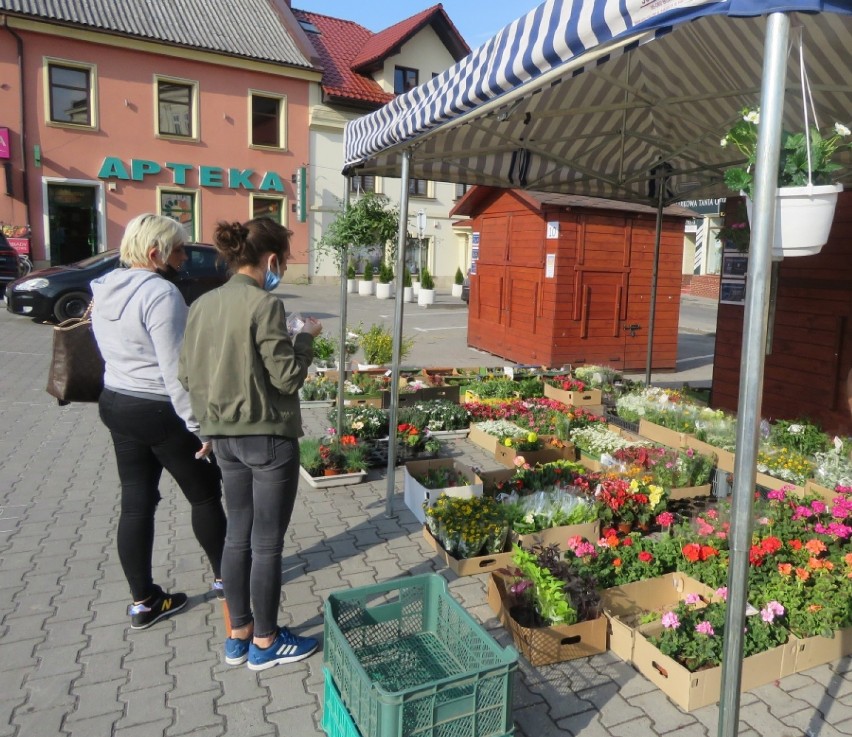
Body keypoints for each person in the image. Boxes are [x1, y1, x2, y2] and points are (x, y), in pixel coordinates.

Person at [178, 217, 321, 672]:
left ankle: (238, 634)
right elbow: (288, 377)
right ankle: (265, 640)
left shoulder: (202, 304)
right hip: (267, 439)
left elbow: (185, 375)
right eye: (285, 260)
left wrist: (208, 425)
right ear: (272, 259)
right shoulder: (265, 305)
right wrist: (305, 338)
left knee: (236, 536)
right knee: (266, 544)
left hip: (224, 440)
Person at [92, 214, 227, 630]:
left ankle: (144, 601)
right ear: (155, 254)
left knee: (136, 501)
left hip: (116, 402)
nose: (185, 258)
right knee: (205, 494)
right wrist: (200, 428)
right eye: (179, 250)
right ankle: (229, 578)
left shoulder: (103, 287)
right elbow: (177, 372)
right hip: (158, 408)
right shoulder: (160, 295)